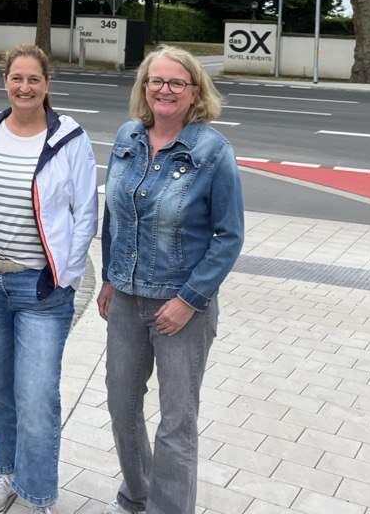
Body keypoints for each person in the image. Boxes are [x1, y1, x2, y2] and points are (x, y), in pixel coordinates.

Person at [98, 45, 244, 514]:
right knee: (122, 408)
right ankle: (137, 495)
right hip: (124, 298)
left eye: (176, 82)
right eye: (156, 81)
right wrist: (107, 277)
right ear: (144, 87)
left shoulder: (212, 151)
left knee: (176, 421)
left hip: (181, 309)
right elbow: (113, 216)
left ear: (194, 91)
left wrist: (190, 299)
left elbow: (228, 236)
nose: (164, 89)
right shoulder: (127, 137)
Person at [0, 44, 98, 514]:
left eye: (33, 79)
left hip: (40, 288)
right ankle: (6, 473)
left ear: (47, 84)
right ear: (5, 81)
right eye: (16, 78)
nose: (24, 87)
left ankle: (38, 492)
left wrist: (66, 276)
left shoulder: (69, 139)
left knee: (37, 394)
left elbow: (86, 214)